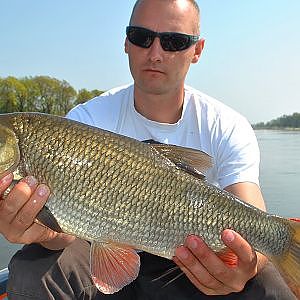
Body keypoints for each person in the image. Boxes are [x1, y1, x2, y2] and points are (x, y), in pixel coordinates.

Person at [0, 0, 296, 299]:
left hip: (189, 266)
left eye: (174, 41)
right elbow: (64, 233)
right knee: (31, 268)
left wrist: (249, 263)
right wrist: (45, 234)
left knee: (270, 284)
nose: (155, 54)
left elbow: (254, 215)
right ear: (126, 42)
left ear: (197, 50)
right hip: (98, 256)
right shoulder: (86, 120)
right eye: (142, 37)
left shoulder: (226, 124)